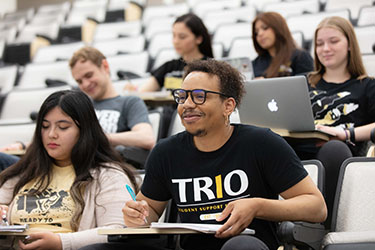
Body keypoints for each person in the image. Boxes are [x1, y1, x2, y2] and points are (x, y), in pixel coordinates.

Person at [82, 59, 327, 250]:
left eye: (199, 96)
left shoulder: (262, 143)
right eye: (182, 96)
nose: (187, 104)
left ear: (228, 106)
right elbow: (148, 212)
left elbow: (316, 207)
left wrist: (257, 206)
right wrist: (136, 216)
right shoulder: (166, 153)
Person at [0, 90, 139, 250]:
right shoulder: (24, 172)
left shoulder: (109, 176)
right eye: (45, 127)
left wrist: (62, 243)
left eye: (63, 127)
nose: (51, 134)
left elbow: (116, 232)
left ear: (84, 131)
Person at [295, 16, 375, 228]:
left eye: (333, 41)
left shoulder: (367, 86)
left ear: (349, 44)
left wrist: (346, 133)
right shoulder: (302, 81)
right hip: (299, 144)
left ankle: (324, 226)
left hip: (339, 149)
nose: (325, 49)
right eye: (320, 44)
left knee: (334, 149)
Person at [69, 47, 155, 156]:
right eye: (79, 81)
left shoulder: (130, 103)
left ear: (105, 66)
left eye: (89, 75)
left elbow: (146, 138)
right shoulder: (81, 107)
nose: (85, 84)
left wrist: (99, 138)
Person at [126, 13, 213, 92]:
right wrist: (133, 91)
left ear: (199, 39)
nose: (176, 41)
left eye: (182, 37)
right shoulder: (169, 67)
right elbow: (143, 92)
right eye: (174, 36)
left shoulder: (211, 68)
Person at [251, 12, 313, 78]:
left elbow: (307, 86)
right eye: (256, 32)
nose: (260, 34)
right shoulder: (255, 64)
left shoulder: (300, 57)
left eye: (265, 28)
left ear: (278, 28)